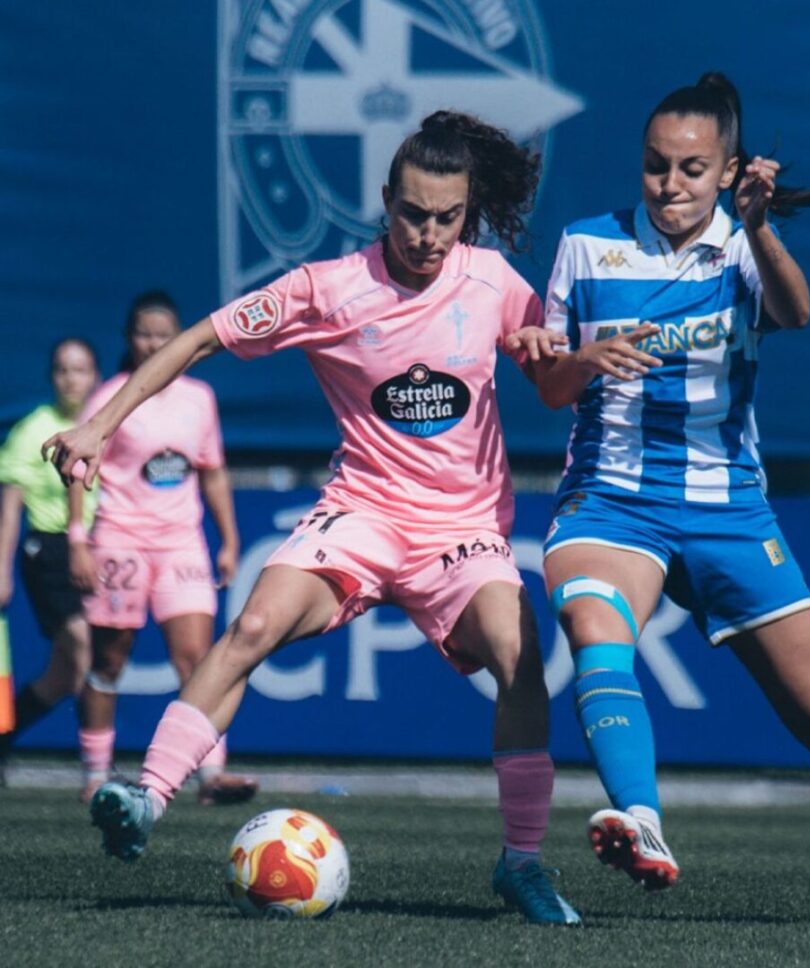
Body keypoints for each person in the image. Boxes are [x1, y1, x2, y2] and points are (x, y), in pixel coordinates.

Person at [43, 112, 580, 926]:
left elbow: (555, 388)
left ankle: (523, 864)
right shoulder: (327, 288)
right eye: (413, 214)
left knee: (520, 655)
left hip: (460, 530)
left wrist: (560, 357)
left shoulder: (494, 281)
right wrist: (97, 427)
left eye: (448, 217)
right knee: (253, 626)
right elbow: (197, 342)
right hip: (361, 515)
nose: (430, 235)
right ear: (385, 200)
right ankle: (146, 798)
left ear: (467, 211)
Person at [531, 72, 810, 928]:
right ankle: (642, 819)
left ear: (728, 171)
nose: (669, 184)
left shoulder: (742, 245)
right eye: (656, 165)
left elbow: (797, 313)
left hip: (729, 511)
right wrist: (585, 360)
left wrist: (761, 225)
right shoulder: (586, 246)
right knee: (595, 627)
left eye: (692, 169)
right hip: (611, 503)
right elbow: (551, 389)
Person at [67, 291, 257, 807]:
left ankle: (210, 773)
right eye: (144, 334)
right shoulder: (110, 396)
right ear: (129, 339)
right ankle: (95, 773)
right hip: (120, 540)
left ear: (181, 339)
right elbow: (78, 467)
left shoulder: (199, 398)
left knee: (198, 659)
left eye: (163, 335)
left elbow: (212, 471)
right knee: (109, 658)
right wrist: (78, 540)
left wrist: (229, 540)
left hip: (181, 543)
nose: (153, 343)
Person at [0, 339, 100, 778]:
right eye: (62, 370)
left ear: (95, 376)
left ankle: (2, 739)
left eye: (79, 370)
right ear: (51, 377)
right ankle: (97, 768)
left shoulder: (106, 424)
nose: (70, 379)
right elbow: (10, 509)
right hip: (48, 551)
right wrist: (2, 570)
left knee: (62, 677)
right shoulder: (31, 430)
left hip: (98, 548)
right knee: (83, 648)